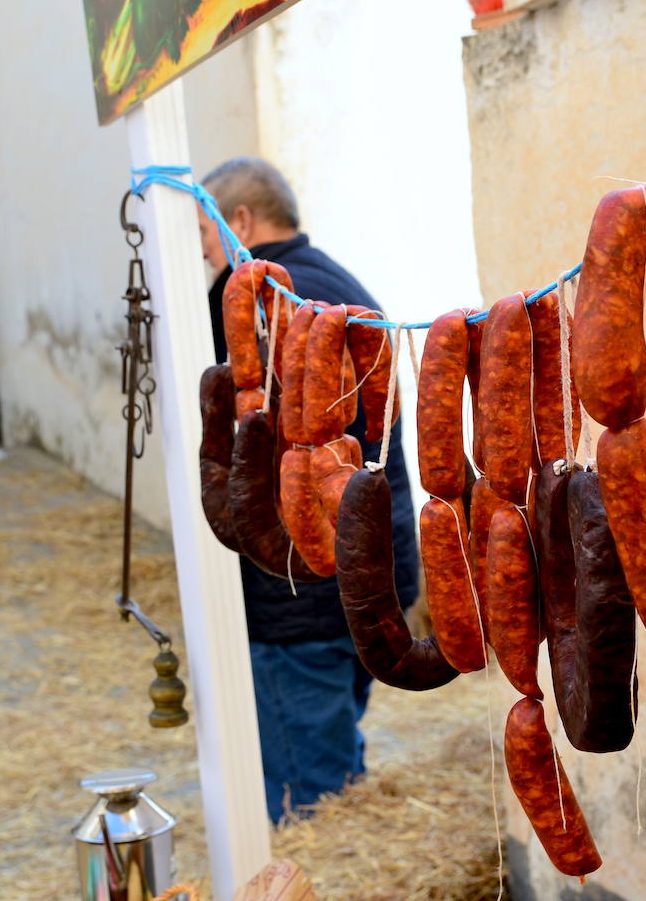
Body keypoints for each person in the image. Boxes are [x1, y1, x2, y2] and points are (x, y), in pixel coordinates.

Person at [198, 157, 420, 823]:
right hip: (368, 572)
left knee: (310, 801)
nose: (203, 251)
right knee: (334, 765)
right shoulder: (340, 283)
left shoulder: (259, 301)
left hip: (298, 594)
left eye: (205, 231)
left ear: (239, 221)